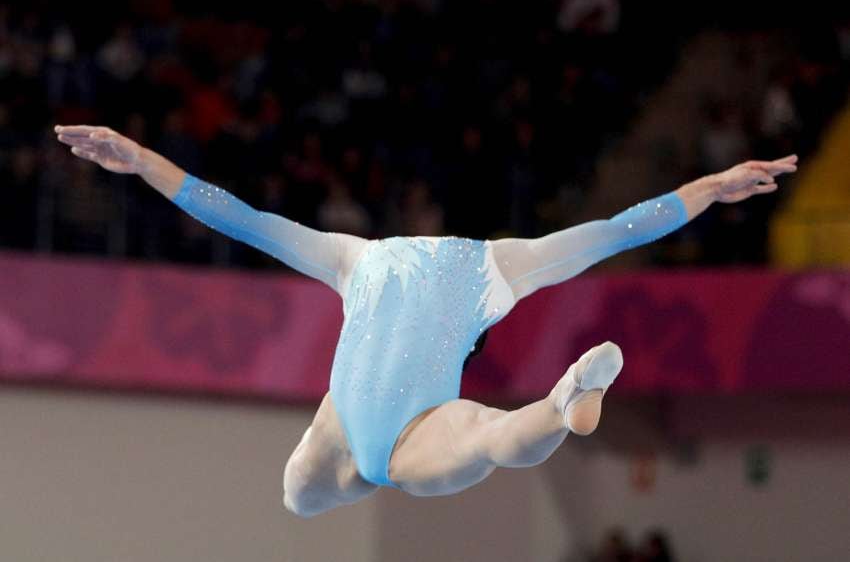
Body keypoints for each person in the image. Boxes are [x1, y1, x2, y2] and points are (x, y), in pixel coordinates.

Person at [54, 124, 797, 517]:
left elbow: (241, 219)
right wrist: (710, 186)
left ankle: (565, 400)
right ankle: (562, 400)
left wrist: (146, 159)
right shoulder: (501, 264)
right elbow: (621, 228)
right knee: (489, 438)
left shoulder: (356, 256)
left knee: (302, 494)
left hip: (354, 423)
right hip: (405, 431)